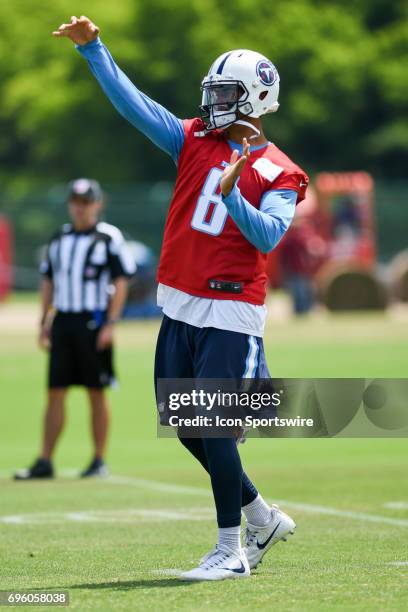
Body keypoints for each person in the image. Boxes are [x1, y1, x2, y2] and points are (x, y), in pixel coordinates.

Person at [52, 16, 309, 581]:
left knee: (215, 428)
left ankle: (231, 550)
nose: (213, 101)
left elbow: (268, 235)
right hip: (179, 307)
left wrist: (231, 196)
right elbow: (135, 106)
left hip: (230, 313)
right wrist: (95, 51)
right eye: (212, 90)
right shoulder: (193, 137)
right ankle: (261, 517)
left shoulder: (281, 169)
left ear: (257, 100)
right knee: (189, 427)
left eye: (225, 92)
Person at [14, 178, 135, 480]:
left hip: (93, 321)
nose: (80, 208)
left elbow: (121, 281)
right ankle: (45, 459)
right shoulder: (59, 239)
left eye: (86, 202)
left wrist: (111, 322)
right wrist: (44, 321)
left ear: (97, 204)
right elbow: (48, 282)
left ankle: (98, 459)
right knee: (55, 391)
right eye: (75, 202)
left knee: (96, 390)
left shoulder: (108, 237)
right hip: (63, 321)